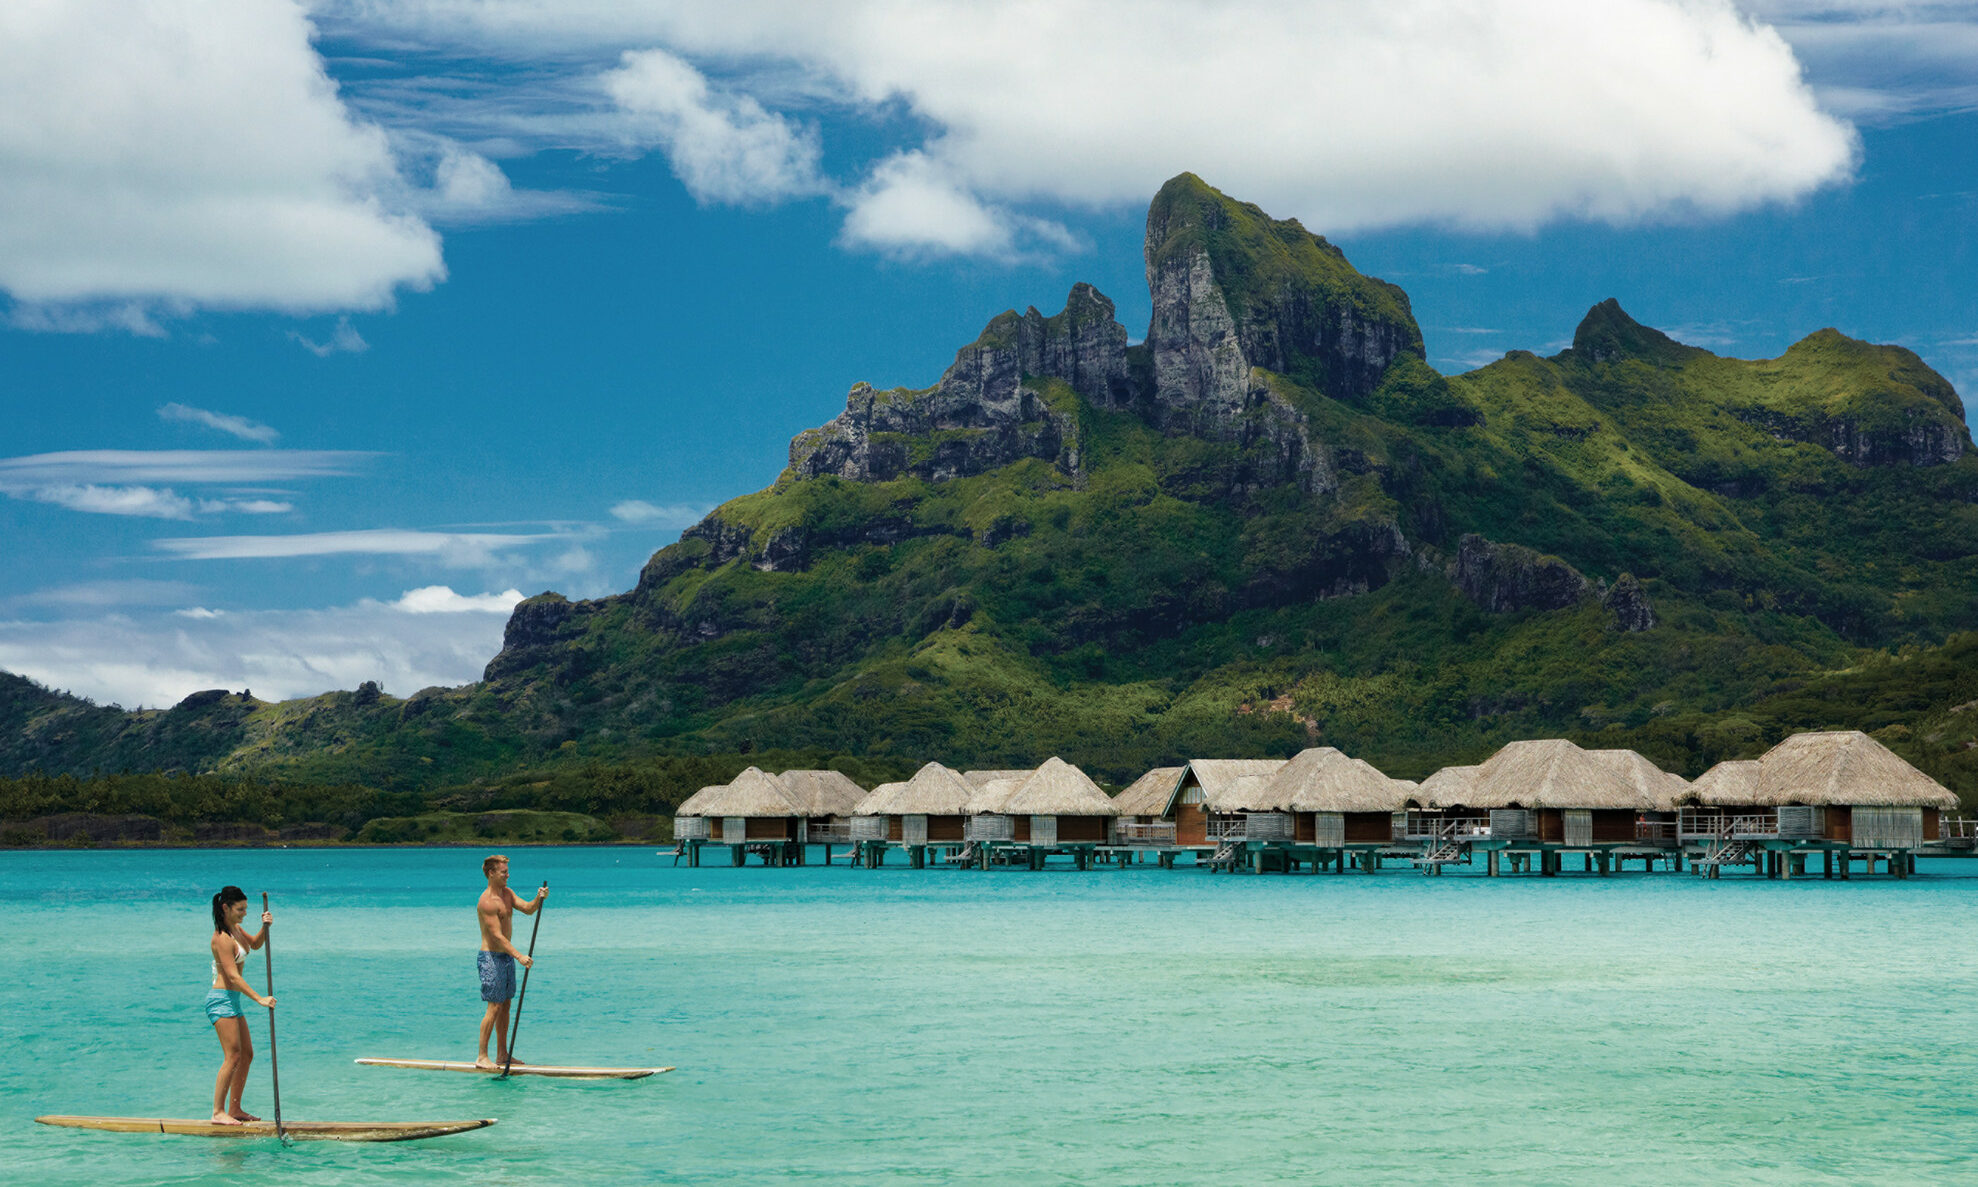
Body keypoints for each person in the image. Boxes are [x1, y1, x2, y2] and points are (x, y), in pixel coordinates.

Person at [206, 886, 274, 1125]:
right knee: (232, 1056)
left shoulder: (235, 930)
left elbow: (254, 945)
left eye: (246, 908)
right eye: (240, 909)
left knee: (246, 1054)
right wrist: (259, 999)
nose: (245, 913)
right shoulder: (221, 938)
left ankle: (235, 1109)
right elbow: (233, 976)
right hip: (221, 1000)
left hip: (232, 1000)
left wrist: (264, 927)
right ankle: (217, 1112)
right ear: (226, 908)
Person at [476, 854, 544, 1068]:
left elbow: (528, 909)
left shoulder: (507, 894)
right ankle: (481, 1057)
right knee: (494, 1006)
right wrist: (520, 956)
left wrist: (538, 899)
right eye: (504, 872)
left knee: (505, 1006)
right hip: (491, 958)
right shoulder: (487, 902)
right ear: (491, 873)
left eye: (507, 871)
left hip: (506, 957)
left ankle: (502, 1054)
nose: (508, 875)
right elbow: (496, 936)